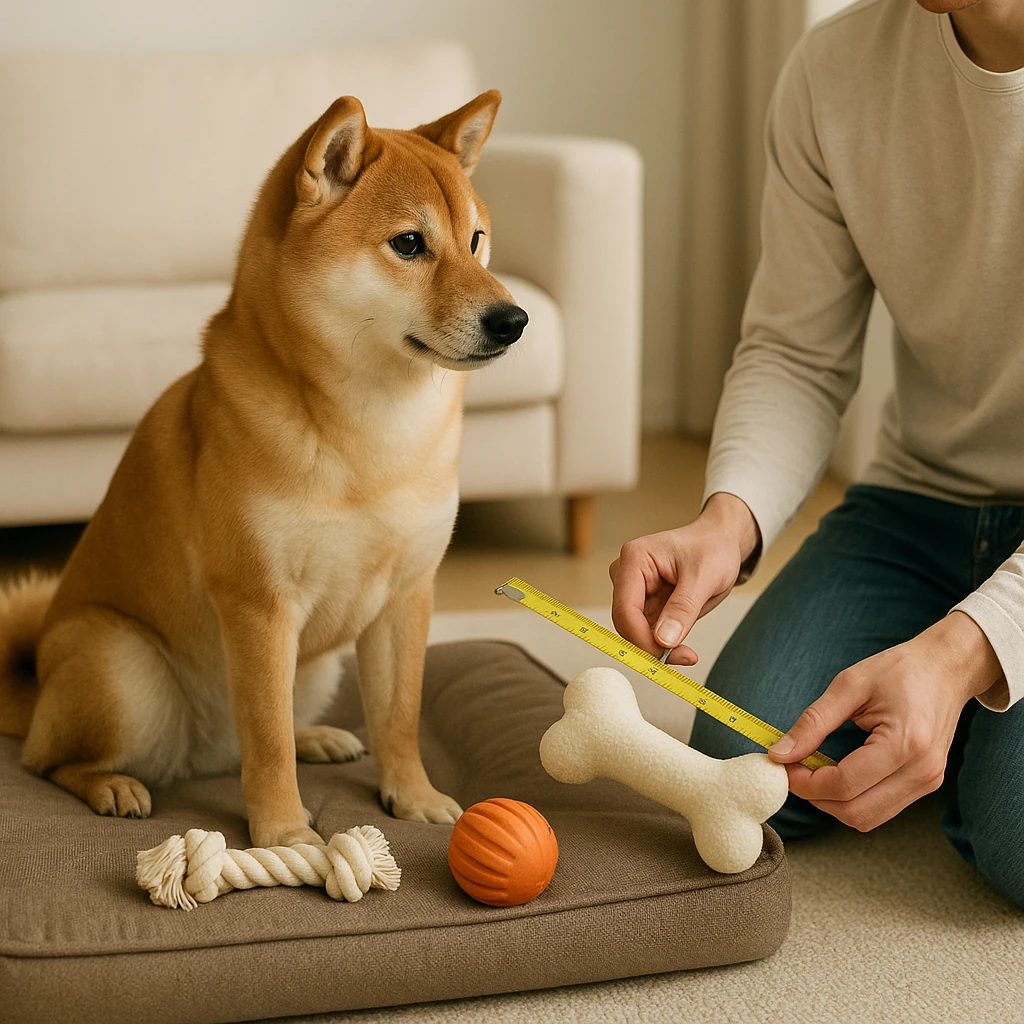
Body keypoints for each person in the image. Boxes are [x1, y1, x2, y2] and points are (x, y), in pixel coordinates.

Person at [609, 0, 1024, 907]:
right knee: (737, 762)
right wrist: (730, 520)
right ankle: (958, 727)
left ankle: (968, 734)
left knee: (1019, 838)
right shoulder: (835, 70)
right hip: (921, 505)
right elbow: (797, 352)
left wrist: (963, 655)